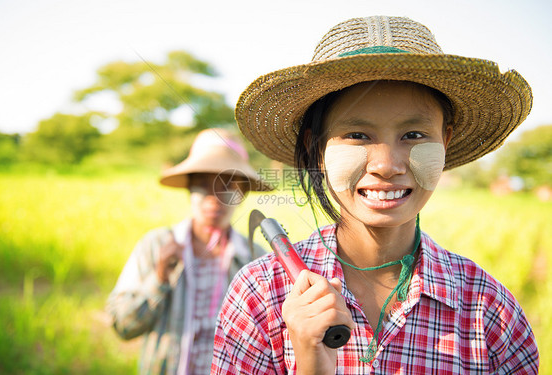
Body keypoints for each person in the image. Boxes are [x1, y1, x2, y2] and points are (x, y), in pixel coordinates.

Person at [212, 16, 539, 374]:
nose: (386, 165)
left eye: (414, 135)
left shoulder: (490, 312)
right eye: (358, 135)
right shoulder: (260, 295)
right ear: (315, 146)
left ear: (444, 141)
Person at [106, 128, 271, 375]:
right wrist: (160, 277)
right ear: (189, 191)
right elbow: (123, 326)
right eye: (203, 186)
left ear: (241, 194)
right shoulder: (157, 246)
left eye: (226, 186)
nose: (214, 198)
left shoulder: (254, 258)